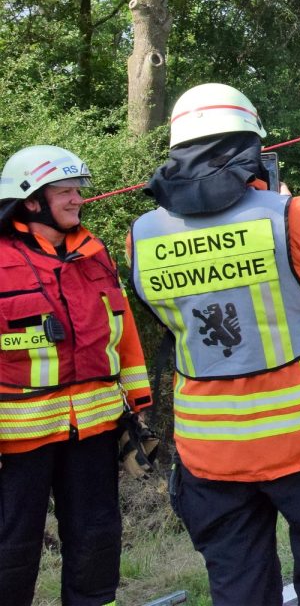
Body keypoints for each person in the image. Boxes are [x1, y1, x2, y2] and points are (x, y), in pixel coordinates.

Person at [127, 83, 300, 605]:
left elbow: (163, 318)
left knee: (237, 585)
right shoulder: (287, 215)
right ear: (249, 147)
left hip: (209, 450)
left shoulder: (141, 235)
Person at [0, 145, 153, 605]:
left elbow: (122, 332)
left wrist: (139, 407)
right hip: (17, 439)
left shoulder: (93, 251)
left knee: (97, 540)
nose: (77, 200)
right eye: (65, 191)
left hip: (95, 429)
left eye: (78, 190)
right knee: (11, 551)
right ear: (31, 200)